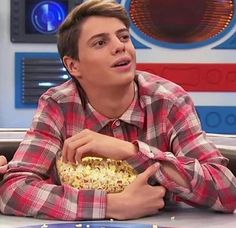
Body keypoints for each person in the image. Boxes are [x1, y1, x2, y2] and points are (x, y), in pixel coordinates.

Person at [0, 0, 236, 220]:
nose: (119, 47)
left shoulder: (169, 100)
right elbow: (13, 189)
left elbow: (226, 191)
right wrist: (109, 205)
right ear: (73, 66)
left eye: (123, 37)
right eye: (100, 42)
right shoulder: (57, 105)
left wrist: (132, 152)